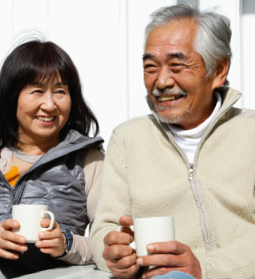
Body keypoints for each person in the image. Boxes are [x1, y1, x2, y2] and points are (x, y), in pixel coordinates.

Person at [90, 3, 255, 279]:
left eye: (177, 65)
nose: (162, 81)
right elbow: (103, 230)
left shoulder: (250, 131)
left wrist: (206, 269)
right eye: (150, 67)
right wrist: (113, 253)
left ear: (218, 70)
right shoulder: (128, 139)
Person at [0, 40, 104, 279]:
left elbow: (109, 243)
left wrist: (66, 244)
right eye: (37, 91)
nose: (49, 105)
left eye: (60, 92)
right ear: (12, 95)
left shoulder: (89, 159)